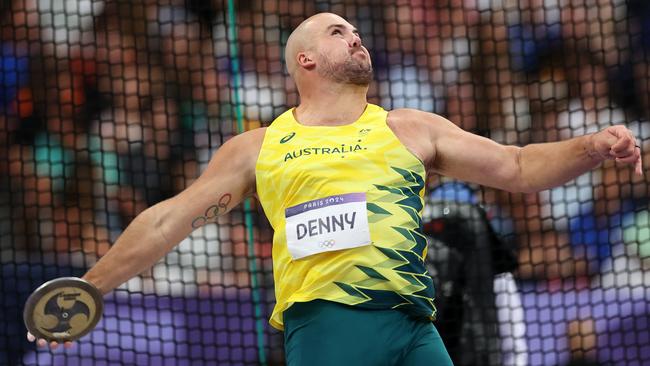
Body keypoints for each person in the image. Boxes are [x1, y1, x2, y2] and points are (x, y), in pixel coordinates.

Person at [28, 12, 643, 365]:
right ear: (306, 62)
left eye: (355, 30)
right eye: (336, 31)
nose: (355, 35)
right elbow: (168, 221)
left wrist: (591, 147)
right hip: (329, 326)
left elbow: (517, 166)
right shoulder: (260, 145)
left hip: (414, 325)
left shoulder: (410, 128)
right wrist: (86, 290)